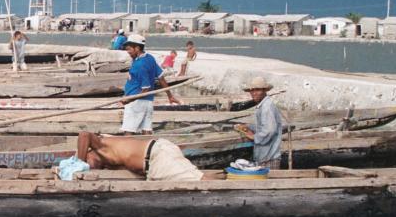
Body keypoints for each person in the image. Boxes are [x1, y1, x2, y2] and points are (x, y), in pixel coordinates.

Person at [74, 132, 206, 181]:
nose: (88, 167)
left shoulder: (101, 147)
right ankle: (224, 176)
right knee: (195, 177)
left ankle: (226, 181)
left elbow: (84, 135)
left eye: (86, 161)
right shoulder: (108, 161)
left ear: (88, 153)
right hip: (154, 163)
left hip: (157, 155)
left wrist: (78, 165)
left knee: (198, 181)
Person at [121, 34, 179, 134]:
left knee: (128, 131)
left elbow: (146, 89)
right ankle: (149, 147)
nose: (128, 52)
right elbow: (161, 78)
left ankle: (125, 149)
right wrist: (170, 96)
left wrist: (128, 100)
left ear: (137, 48)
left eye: (130, 49)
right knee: (146, 130)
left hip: (136, 103)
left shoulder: (140, 64)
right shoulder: (149, 58)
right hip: (148, 103)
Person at [234, 76, 285, 168]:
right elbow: (263, 126)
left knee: (268, 182)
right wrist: (248, 127)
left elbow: (269, 130)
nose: (254, 93)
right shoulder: (264, 105)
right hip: (265, 156)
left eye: (257, 90)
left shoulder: (267, 107)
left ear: (264, 90)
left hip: (269, 158)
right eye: (252, 91)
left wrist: (254, 137)